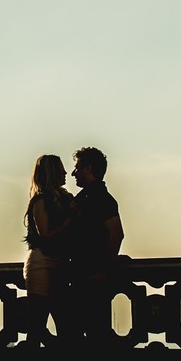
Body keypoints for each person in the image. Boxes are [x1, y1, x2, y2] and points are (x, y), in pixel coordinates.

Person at [66, 146, 124, 345]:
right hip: (81, 276)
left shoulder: (101, 199)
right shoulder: (84, 199)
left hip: (92, 277)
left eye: (77, 167)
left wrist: (103, 271)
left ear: (88, 168)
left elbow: (117, 233)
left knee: (94, 335)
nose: (74, 172)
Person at [21, 154, 74, 348]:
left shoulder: (66, 199)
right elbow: (46, 235)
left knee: (65, 323)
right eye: (61, 169)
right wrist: (69, 222)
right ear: (52, 172)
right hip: (41, 264)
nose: (66, 172)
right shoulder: (40, 201)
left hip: (59, 262)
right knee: (37, 322)